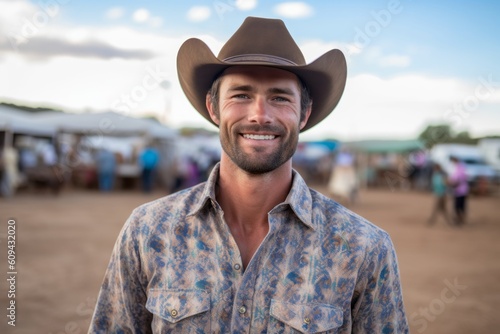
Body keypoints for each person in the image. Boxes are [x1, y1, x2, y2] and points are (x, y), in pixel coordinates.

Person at [89, 17, 408, 333]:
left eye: (280, 97)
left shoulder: (363, 249)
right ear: (213, 108)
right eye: (241, 95)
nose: (259, 115)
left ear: (304, 114)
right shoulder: (148, 232)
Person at [448, 156, 469, 225]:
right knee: (461, 206)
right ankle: (461, 219)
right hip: (462, 190)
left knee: (458, 207)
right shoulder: (461, 168)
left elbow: (457, 180)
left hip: (460, 191)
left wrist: (449, 183)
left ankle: (460, 220)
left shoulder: (459, 169)